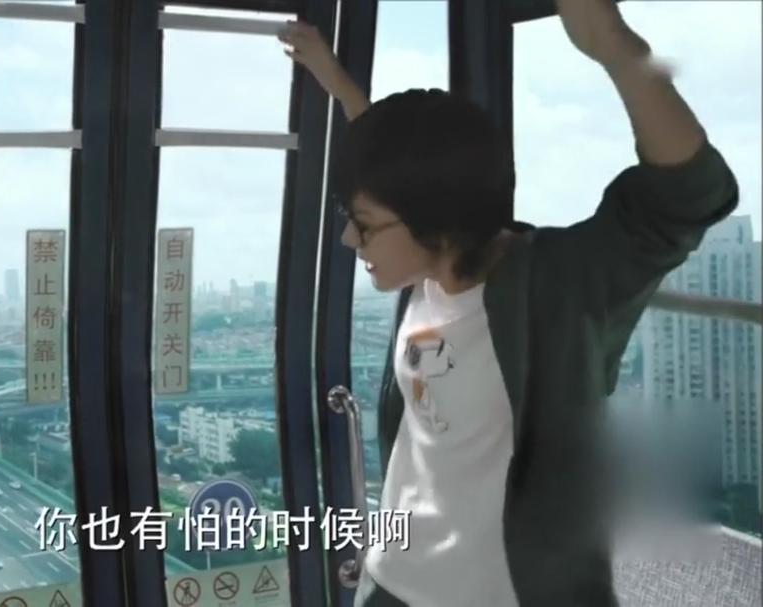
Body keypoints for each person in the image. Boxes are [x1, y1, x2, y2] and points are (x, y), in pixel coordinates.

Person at [279, 1, 738, 605]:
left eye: (361, 224)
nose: (348, 239)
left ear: (434, 220)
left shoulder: (552, 291)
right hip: (389, 580)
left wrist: (618, 50)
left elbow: (684, 197)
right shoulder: (426, 270)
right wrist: (337, 81)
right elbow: (396, 173)